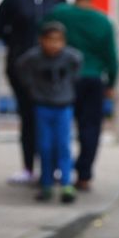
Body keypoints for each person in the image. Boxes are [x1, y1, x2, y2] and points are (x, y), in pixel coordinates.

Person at [0, 0, 67, 185]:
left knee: (53, 120)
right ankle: (28, 167)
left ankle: (52, 167)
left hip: (53, 73)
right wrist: (17, 48)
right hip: (23, 72)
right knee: (28, 118)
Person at [45, 0, 119, 192]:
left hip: (64, 79)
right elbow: (111, 57)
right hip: (94, 80)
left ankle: (59, 171)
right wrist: (111, 83)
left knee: (61, 127)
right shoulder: (103, 20)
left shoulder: (59, 14)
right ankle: (84, 176)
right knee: (90, 128)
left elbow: (43, 35)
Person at [15, 22, 82, 203]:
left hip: (63, 106)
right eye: (49, 40)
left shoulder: (70, 57)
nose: (54, 45)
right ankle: (46, 183)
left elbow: (78, 64)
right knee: (45, 147)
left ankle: (66, 183)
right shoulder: (34, 57)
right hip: (42, 106)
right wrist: (31, 86)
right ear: (41, 41)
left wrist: (68, 86)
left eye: (58, 41)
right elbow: (20, 67)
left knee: (63, 146)